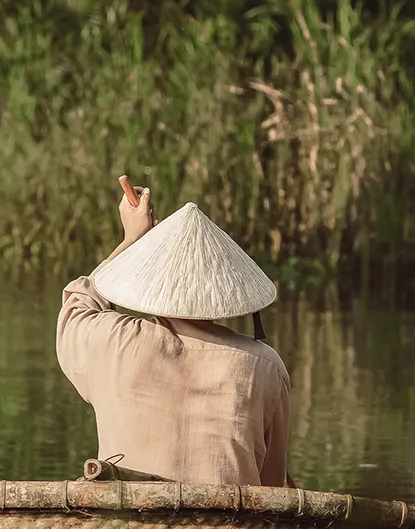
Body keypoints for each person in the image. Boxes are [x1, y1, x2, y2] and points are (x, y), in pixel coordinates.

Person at [56, 177, 291, 486]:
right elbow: (272, 488)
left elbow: (78, 305)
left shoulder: (113, 342)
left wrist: (131, 241)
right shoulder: (266, 367)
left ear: (151, 281)